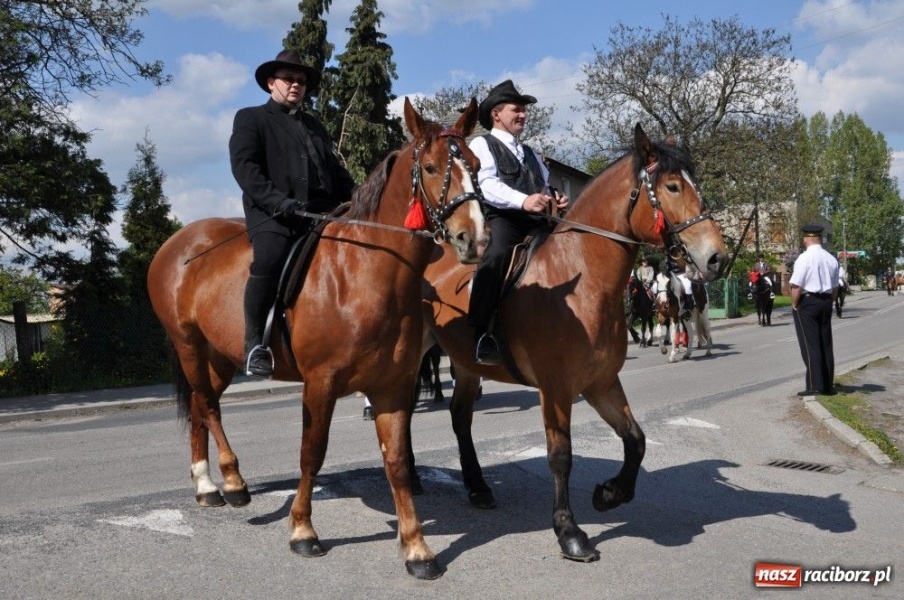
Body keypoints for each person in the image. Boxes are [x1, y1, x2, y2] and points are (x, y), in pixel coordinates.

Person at [230, 49, 357, 377]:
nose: (296, 85)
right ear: (271, 83)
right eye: (288, 79)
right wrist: (278, 202)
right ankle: (255, 345)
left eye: (301, 80)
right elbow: (246, 169)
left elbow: (335, 172)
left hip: (321, 213)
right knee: (269, 259)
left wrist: (360, 199)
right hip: (274, 214)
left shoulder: (315, 126)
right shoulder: (251, 118)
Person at [466, 80, 568, 365]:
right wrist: (523, 201)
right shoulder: (482, 144)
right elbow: (486, 184)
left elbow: (543, 186)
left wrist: (555, 198)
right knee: (495, 256)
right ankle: (481, 333)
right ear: (496, 114)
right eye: (517, 109)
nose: (523, 115)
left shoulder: (530, 152)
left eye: (524, 110)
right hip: (504, 219)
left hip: (539, 221)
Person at [789, 224, 840, 396]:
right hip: (826, 301)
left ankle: (814, 385)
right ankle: (827, 385)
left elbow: (796, 285)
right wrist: (829, 302)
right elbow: (835, 288)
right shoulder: (831, 259)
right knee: (825, 343)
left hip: (808, 303)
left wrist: (794, 304)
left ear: (806, 239)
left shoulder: (804, 258)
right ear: (820, 238)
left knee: (810, 345)